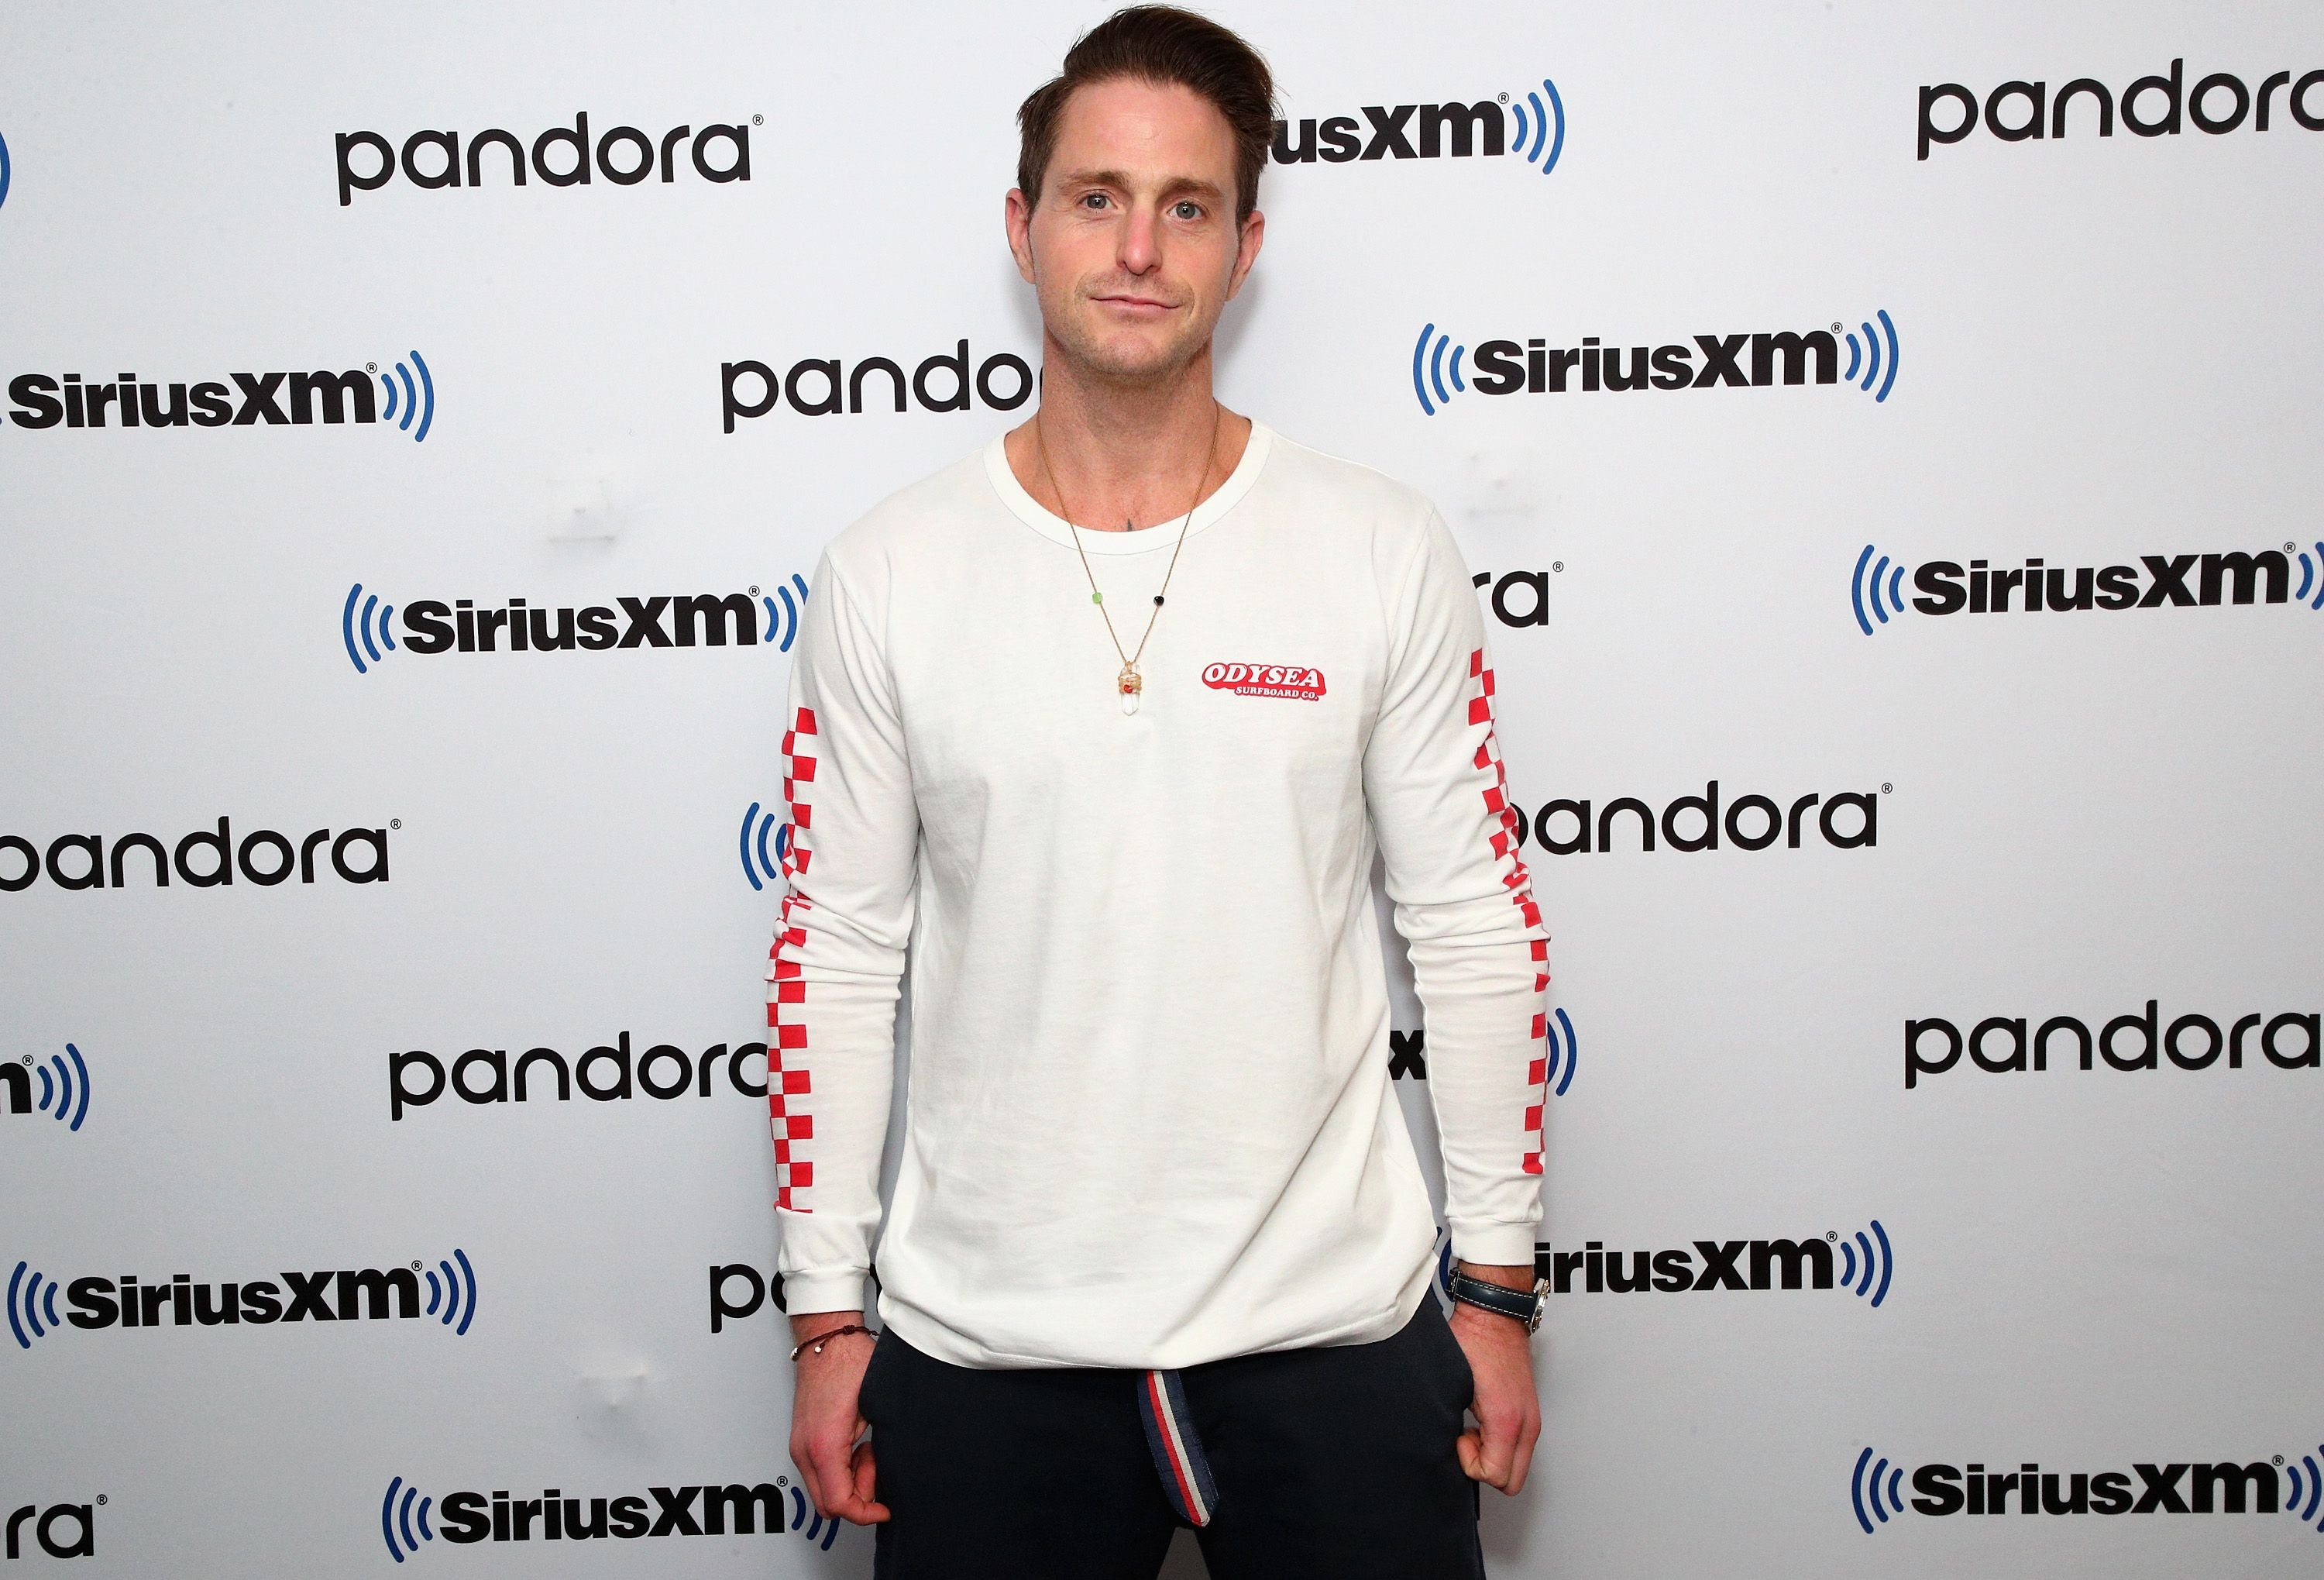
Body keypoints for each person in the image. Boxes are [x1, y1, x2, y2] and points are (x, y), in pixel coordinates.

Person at [768, 9, 1551, 1575]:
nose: (1138, 247)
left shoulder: (1377, 547)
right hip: (986, 1342)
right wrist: (826, 1313)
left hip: (1333, 1326)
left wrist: (1499, 1292)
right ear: (1024, 225)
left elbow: (1469, 925)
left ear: (1245, 245)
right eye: (1096, 196)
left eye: (1186, 205)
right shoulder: (889, 572)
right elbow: (837, 959)